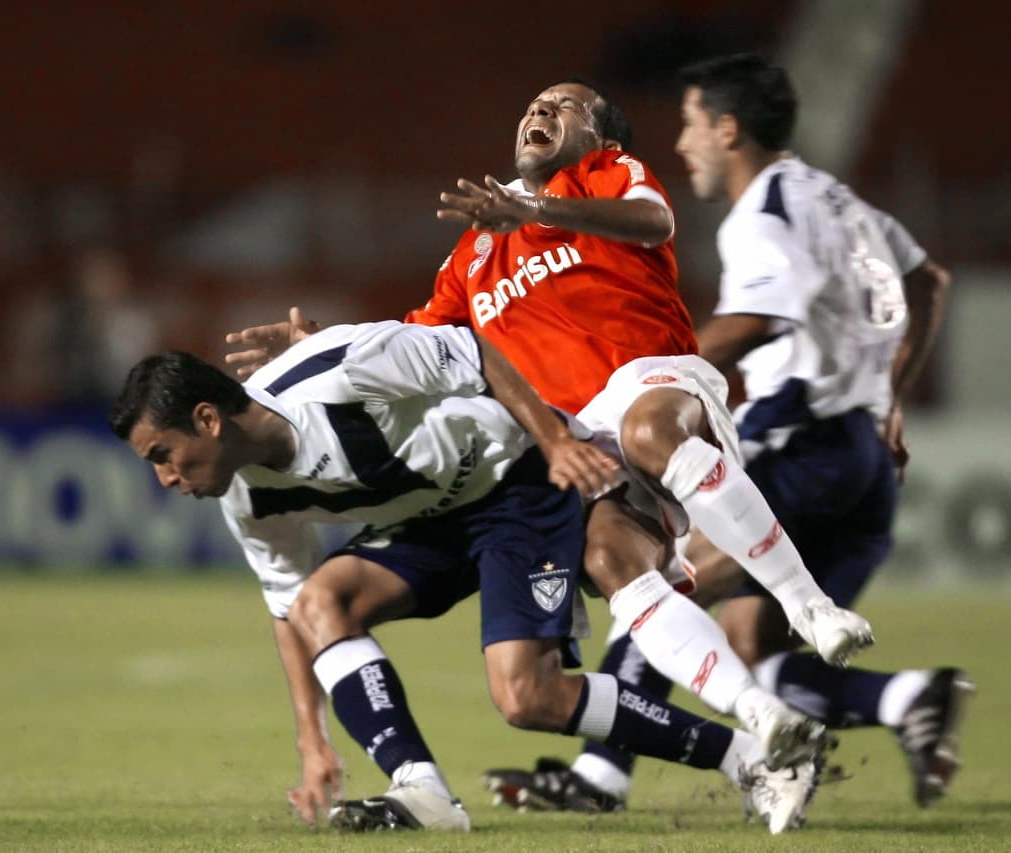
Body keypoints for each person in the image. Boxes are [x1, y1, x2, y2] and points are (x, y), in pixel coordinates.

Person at [226, 78, 869, 779]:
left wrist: (532, 206)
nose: (538, 109)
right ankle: (766, 726)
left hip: (654, 382)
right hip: (577, 440)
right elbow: (413, 338)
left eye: (563, 105)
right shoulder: (474, 251)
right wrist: (318, 344)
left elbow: (654, 222)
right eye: (531, 103)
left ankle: (810, 607)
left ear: (602, 136)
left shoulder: (604, 176)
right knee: (610, 562)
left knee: (650, 431)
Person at [485, 53, 971, 814]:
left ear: (728, 128)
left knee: (651, 576)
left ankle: (603, 776)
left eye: (691, 125)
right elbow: (929, 282)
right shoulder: (836, 199)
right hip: (864, 453)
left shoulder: (763, 211)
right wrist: (890, 396)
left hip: (795, 435)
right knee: (751, 646)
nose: (684, 144)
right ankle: (908, 694)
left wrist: (654, 370)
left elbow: (758, 318)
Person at [112, 320, 820, 834]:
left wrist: (555, 443)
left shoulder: (334, 372)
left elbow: (472, 350)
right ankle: (421, 788)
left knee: (526, 696)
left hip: (514, 482)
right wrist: (312, 739)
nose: (166, 478)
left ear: (207, 419)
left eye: (162, 454)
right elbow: (288, 605)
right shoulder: (244, 493)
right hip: (434, 515)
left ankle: (752, 758)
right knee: (322, 599)